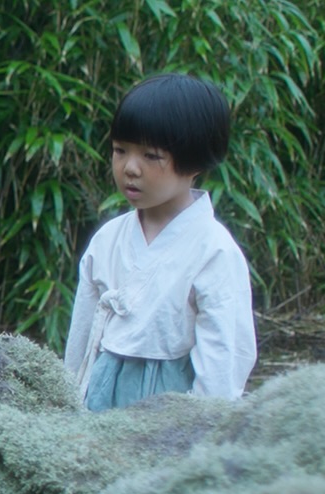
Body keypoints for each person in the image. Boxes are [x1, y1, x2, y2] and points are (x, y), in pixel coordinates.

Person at [63, 73, 256, 411]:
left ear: (195, 161)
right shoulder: (108, 240)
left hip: (170, 408)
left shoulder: (213, 250)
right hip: (99, 398)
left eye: (150, 156)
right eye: (120, 151)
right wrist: (65, 399)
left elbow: (225, 355)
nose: (129, 168)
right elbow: (81, 334)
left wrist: (206, 426)